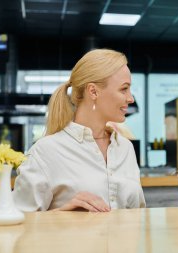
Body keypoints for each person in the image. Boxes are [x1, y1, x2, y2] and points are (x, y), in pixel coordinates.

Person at [13, 49, 146, 212]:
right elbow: (17, 223)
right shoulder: (45, 152)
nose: (130, 98)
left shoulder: (125, 148)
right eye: (124, 89)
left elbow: (139, 215)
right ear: (93, 91)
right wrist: (63, 213)